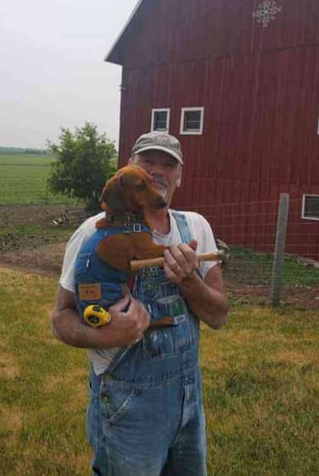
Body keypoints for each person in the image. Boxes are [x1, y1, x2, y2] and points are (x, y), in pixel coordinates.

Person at [51, 131, 229, 476]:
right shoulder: (94, 232)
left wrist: (190, 279)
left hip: (188, 396)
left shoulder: (195, 226)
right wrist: (103, 335)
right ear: (130, 169)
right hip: (128, 404)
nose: (158, 172)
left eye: (169, 164)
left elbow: (219, 316)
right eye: (148, 162)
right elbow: (60, 317)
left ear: (180, 175)